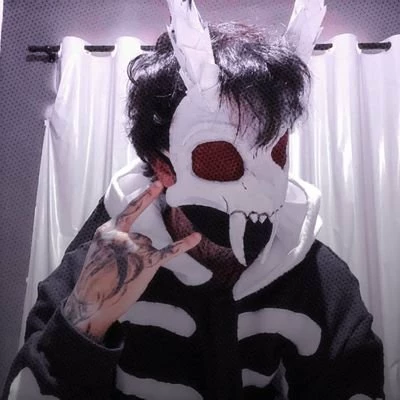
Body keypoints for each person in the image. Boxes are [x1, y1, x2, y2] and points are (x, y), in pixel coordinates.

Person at [2, 0, 385, 399]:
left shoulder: (315, 276)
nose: (259, 186)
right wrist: (84, 324)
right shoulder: (99, 268)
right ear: (163, 167)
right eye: (220, 157)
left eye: (275, 151)